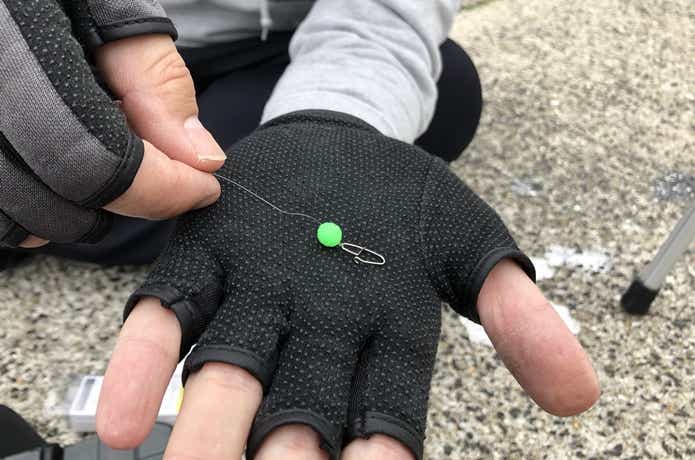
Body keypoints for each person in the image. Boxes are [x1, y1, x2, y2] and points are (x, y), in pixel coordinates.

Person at [0, 1, 600, 459]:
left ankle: (61, 215)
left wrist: (336, 119)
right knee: (79, 164)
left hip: (275, 49)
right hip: (73, 45)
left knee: (451, 87)